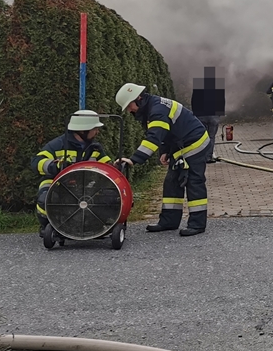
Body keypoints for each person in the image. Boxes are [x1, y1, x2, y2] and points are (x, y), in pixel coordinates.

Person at [114, 83, 212, 236]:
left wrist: (134, 159)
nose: (129, 110)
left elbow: (154, 138)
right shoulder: (152, 107)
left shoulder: (157, 110)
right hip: (181, 145)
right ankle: (169, 222)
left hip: (196, 144)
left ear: (138, 98)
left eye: (129, 106)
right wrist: (165, 151)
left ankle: (197, 224)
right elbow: (165, 133)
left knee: (193, 181)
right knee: (172, 181)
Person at [31, 110, 111, 233]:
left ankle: (92, 225)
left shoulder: (95, 148)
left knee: (109, 196)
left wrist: (116, 166)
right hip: (56, 183)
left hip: (85, 185)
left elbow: (107, 166)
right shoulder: (58, 145)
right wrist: (55, 166)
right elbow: (36, 162)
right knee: (45, 199)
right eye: (95, 129)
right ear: (83, 130)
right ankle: (47, 226)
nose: (97, 132)